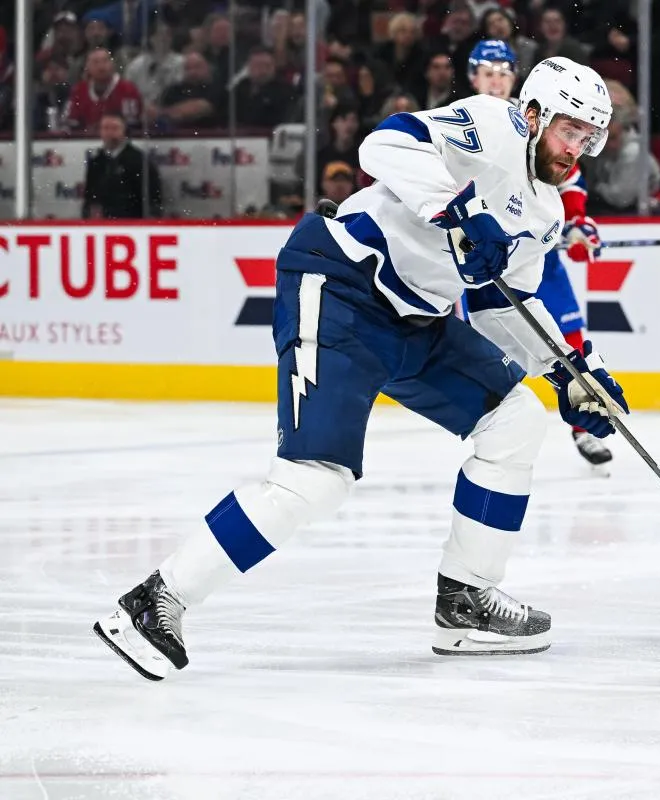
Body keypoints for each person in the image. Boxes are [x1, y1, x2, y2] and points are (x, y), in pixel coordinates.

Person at [94, 57, 627, 681]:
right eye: (569, 130)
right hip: (342, 286)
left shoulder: (547, 214)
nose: (576, 149)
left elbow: (500, 304)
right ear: (533, 114)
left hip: (416, 321)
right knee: (314, 480)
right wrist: (461, 210)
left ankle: (465, 601)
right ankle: (154, 601)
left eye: (589, 137)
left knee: (517, 419)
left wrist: (569, 370)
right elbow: (386, 143)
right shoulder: (492, 124)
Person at [461, 39, 614, 467]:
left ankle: (583, 422)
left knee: (568, 332)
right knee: (488, 335)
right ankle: (493, 423)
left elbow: (569, 178)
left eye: (504, 73)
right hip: (483, 254)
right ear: (473, 78)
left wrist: (577, 222)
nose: (496, 81)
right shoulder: (471, 120)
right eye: (488, 73)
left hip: (536, 248)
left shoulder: (546, 123)